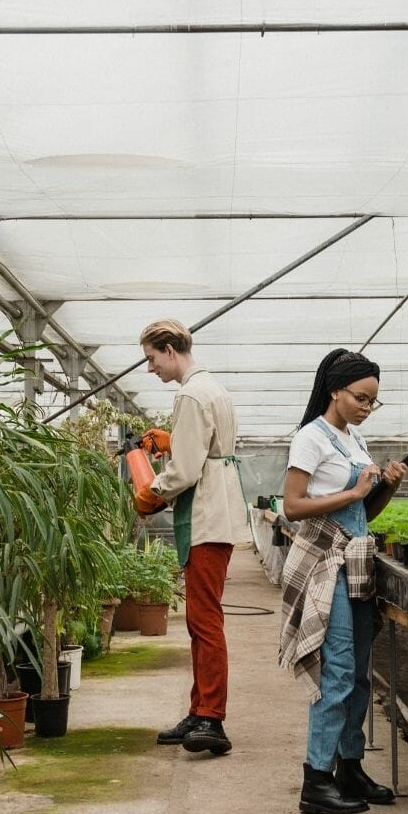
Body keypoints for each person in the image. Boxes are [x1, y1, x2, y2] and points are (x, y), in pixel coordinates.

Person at [279, 349, 407, 814]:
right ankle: (316, 780)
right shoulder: (310, 439)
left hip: (354, 562)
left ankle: (349, 767)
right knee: (335, 670)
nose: (366, 407)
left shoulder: (354, 440)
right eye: (361, 397)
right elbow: (290, 507)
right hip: (324, 565)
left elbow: (363, 514)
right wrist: (354, 490)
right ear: (336, 389)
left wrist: (386, 486)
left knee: (357, 673)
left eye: (373, 401)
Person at [138, 319, 248, 756]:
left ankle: (212, 719)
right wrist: (173, 441)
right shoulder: (212, 389)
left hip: (206, 517)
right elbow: (205, 449)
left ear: (169, 349)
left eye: (151, 358)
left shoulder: (189, 394)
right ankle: (199, 708)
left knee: (205, 622)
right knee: (201, 620)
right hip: (215, 512)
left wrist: (152, 493)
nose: (151, 369)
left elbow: (184, 471)